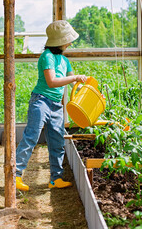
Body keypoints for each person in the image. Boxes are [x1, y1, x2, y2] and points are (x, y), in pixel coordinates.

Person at [15, 20, 87, 191]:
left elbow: (72, 84)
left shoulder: (64, 60)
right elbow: (52, 81)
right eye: (68, 40)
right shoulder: (46, 56)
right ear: (60, 41)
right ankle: (15, 176)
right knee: (31, 137)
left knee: (57, 141)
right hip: (41, 101)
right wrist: (75, 77)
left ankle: (56, 179)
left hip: (56, 105)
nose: (70, 43)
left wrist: (86, 91)